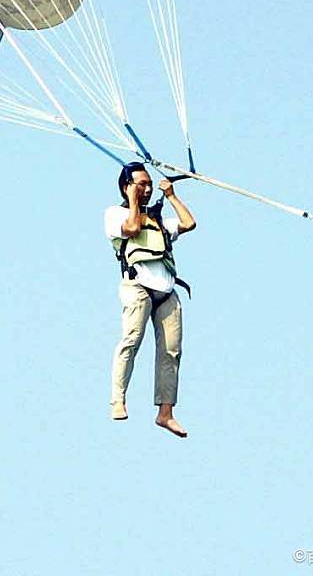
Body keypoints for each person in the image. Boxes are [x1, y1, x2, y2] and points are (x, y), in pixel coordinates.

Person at [105, 162, 196, 437]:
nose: (146, 189)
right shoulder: (114, 214)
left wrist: (171, 196)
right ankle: (118, 399)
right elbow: (131, 228)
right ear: (126, 187)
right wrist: (132, 200)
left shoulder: (158, 221)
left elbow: (189, 223)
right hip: (138, 286)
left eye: (148, 185)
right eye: (140, 185)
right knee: (131, 340)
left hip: (167, 291)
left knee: (171, 350)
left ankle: (165, 413)